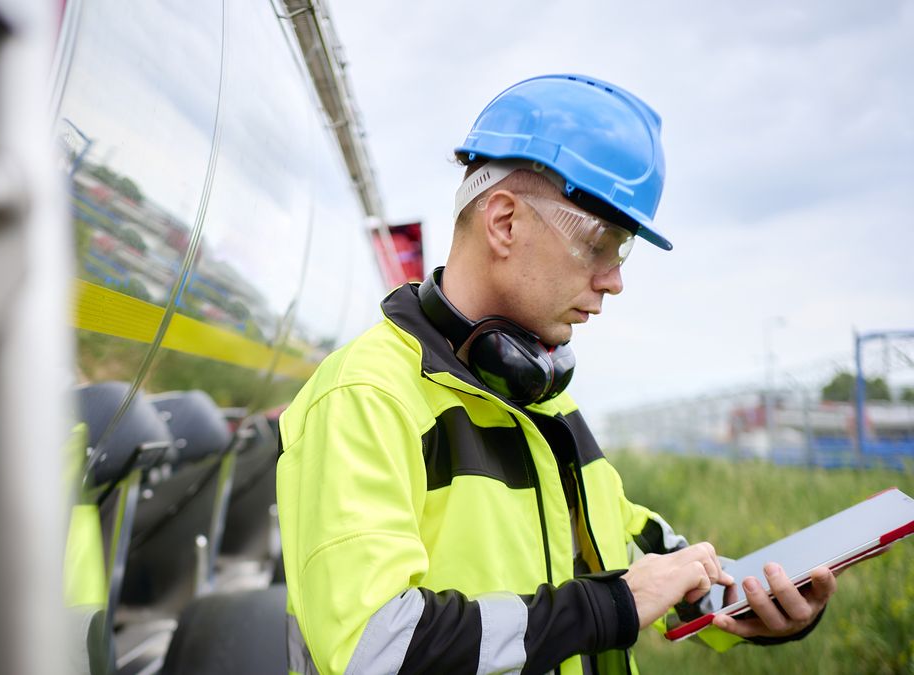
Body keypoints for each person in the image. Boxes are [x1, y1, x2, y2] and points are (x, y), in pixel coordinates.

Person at [275, 74, 836, 675]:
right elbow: (376, 650)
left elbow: (653, 560)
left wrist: (747, 607)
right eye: (603, 243)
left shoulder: (546, 406)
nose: (614, 280)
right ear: (505, 223)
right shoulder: (364, 397)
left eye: (623, 253)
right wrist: (610, 607)